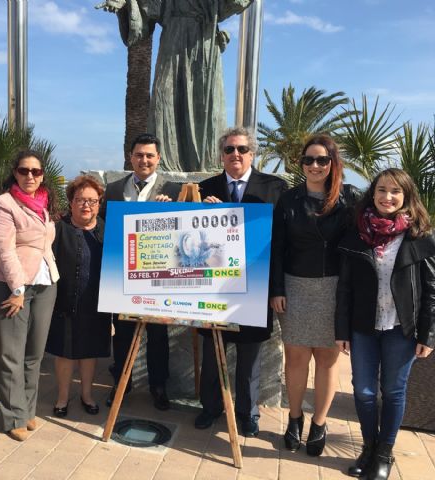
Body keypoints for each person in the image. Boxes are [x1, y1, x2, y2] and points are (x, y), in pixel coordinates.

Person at [336, 168, 435, 480]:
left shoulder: (420, 237)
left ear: (406, 196)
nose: (387, 197)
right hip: (363, 326)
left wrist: (428, 334)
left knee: (393, 390)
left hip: (401, 329)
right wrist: (341, 331)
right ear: (373, 193)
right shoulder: (357, 233)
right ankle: (368, 446)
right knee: (363, 391)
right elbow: (345, 287)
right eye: (381, 190)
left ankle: (384, 453)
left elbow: (432, 290)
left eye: (395, 191)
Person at [269, 134, 359, 456]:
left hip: (334, 287)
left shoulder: (349, 198)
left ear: (333, 163)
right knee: (295, 358)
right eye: (309, 160)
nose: (315, 165)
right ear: (302, 164)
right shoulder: (289, 200)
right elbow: (277, 247)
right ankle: (294, 419)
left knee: (326, 359)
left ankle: (319, 423)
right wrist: (277, 288)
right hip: (294, 285)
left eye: (322, 159)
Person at [195, 126, 287, 435]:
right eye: (229, 149)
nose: (235, 154)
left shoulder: (275, 188)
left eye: (242, 149)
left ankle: (248, 414)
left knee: (250, 359)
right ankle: (210, 408)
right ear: (221, 155)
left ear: (252, 153)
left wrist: (276, 289)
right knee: (213, 356)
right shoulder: (204, 188)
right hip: (214, 290)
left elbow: (281, 244)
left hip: (255, 288)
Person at [97, 0, 254, 171]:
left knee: (203, 104)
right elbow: (144, 10)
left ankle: (207, 163)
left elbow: (234, 4)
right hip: (172, 39)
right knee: (164, 99)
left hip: (203, 41)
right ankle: (164, 161)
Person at [0, 150, 60, 442]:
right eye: (24, 170)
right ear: (15, 172)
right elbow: (4, 251)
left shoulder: (44, 204)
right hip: (9, 287)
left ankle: (27, 410)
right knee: (10, 355)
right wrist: (17, 289)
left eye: (36, 172)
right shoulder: (2, 205)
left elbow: (44, 244)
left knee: (34, 355)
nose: (30, 176)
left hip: (45, 283)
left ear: (43, 175)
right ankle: (12, 415)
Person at [101, 133, 181, 410]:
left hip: (159, 278)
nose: (144, 160)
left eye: (150, 155)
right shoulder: (112, 190)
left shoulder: (173, 191)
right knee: (122, 333)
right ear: (130, 157)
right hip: (120, 275)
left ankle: (159, 386)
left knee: (158, 335)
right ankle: (121, 383)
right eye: (139, 155)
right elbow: (102, 228)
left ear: (158, 158)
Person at [45, 175, 111, 417]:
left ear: (99, 203)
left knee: (89, 352)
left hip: (96, 302)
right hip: (64, 302)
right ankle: (62, 397)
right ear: (71, 202)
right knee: (65, 353)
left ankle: (87, 395)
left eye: (92, 201)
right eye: (80, 200)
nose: (86, 205)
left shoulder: (107, 229)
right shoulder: (58, 227)